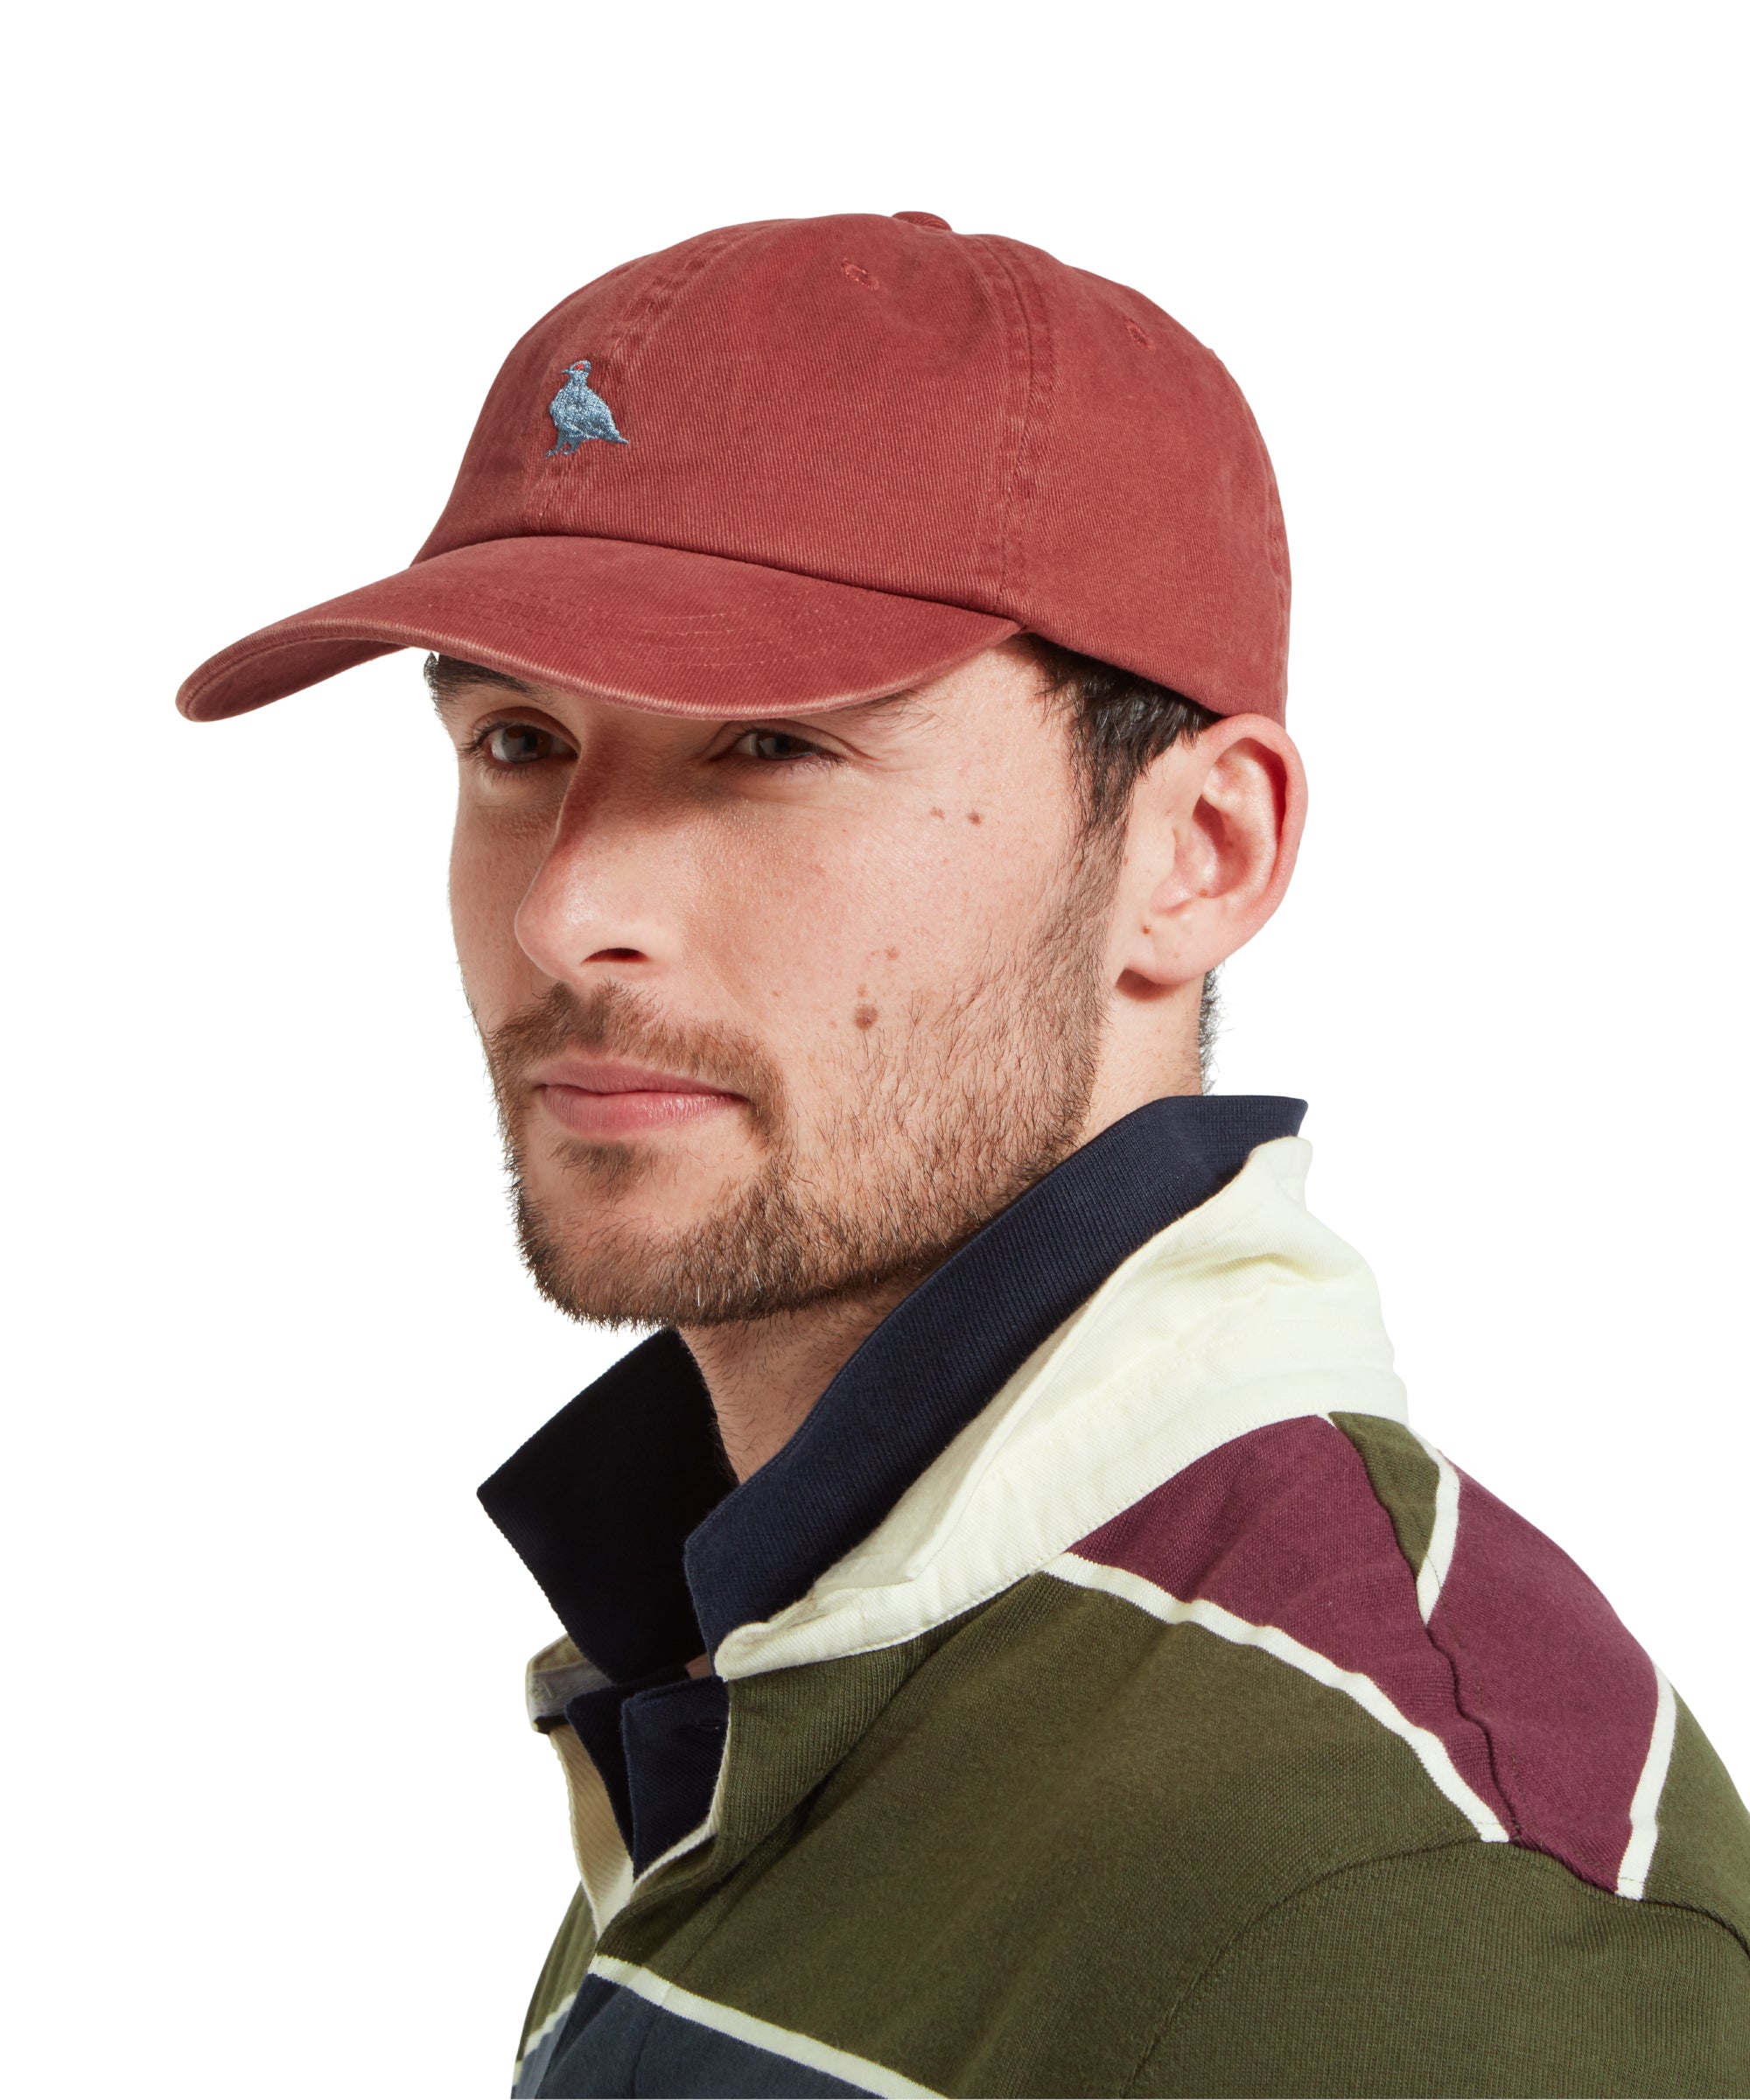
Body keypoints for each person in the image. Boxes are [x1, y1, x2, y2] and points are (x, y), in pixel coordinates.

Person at [178, 212, 1750, 2098]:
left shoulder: (1401, 1896)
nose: (568, 907)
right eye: (516, 740)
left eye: (769, 745)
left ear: (1200, 853)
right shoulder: (787, 1655)